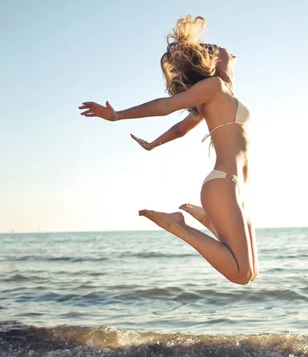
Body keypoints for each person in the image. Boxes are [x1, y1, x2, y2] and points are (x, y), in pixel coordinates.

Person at [79, 16, 258, 284]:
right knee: (241, 275)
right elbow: (165, 107)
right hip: (222, 184)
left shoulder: (222, 93)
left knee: (252, 273)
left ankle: (209, 220)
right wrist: (117, 115)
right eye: (218, 47)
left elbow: (182, 128)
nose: (224, 48)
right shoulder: (214, 88)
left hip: (236, 187)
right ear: (213, 59)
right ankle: (177, 224)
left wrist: (153, 144)